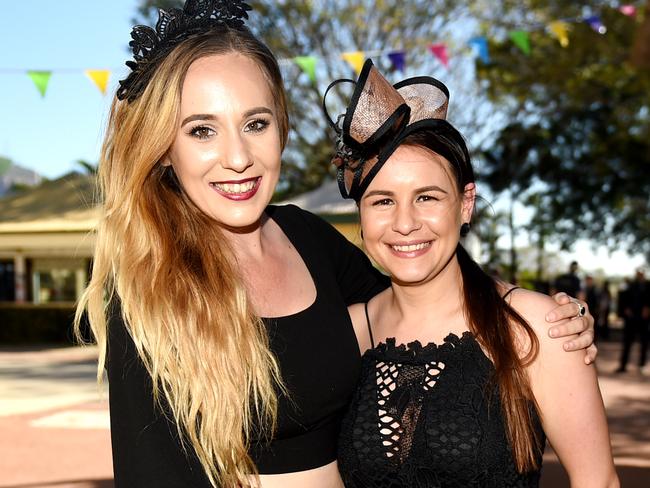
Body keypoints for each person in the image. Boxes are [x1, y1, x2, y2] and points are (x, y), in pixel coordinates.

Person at [74, 2, 597, 487]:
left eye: (255, 123)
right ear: (164, 149)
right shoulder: (150, 284)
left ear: (282, 128)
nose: (237, 157)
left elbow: (422, 292)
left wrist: (533, 314)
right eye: (201, 131)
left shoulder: (308, 239)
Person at [324, 60, 617, 487]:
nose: (405, 223)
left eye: (426, 197)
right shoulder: (347, 331)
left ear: (465, 204)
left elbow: (599, 481)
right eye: (383, 201)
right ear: (361, 216)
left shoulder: (536, 326)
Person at [615, 269, 650, 373]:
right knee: (627, 342)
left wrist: (647, 308)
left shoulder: (648, 285)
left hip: (644, 319)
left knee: (644, 342)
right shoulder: (631, 285)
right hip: (631, 319)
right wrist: (626, 309)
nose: (640, 275)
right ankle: (623, 365)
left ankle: (642, 365)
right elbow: (623, 299)